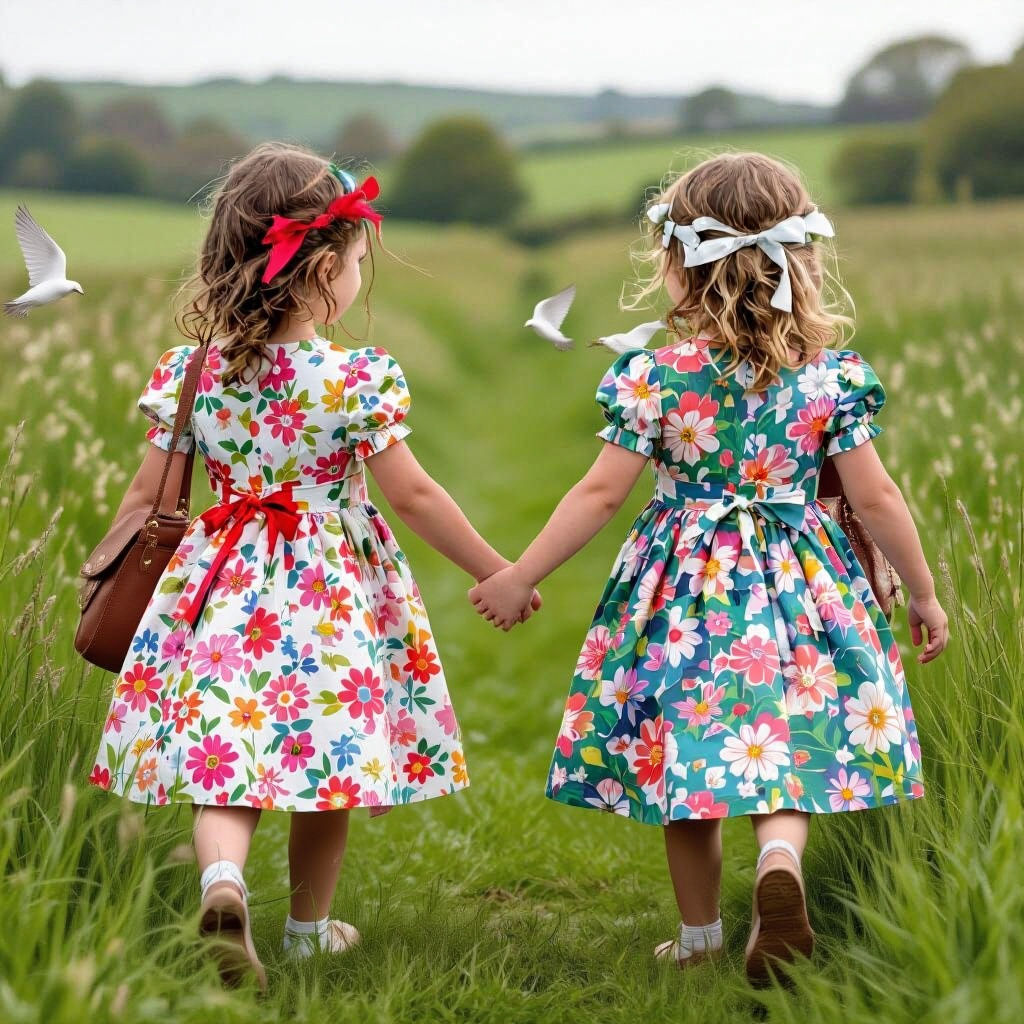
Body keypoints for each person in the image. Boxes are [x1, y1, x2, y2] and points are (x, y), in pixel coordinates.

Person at [468, 151, 947, 985]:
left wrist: (520, 573)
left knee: (689, 751)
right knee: (782, 741)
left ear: (676, 262)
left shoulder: (653, 375)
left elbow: (597, 494)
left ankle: (698, 938)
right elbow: (877, 499)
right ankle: (781, 863)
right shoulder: (829, 377)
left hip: (685, 587)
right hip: (804, 581)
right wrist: (926, 591)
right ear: (802, 259)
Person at [88, 141, 538, 990]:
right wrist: (497, 569)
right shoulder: (357, 379)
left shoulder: (192, 375)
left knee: (224, 755)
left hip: (217, 586)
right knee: (321, 764)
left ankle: (222, 881)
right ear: (326, 267)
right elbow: (414, 498)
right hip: (331, 590)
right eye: (361, 261)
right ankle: (306, 929)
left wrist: (103, 575)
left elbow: (146, 499)